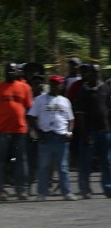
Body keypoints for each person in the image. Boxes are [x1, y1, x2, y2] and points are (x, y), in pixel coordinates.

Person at [0, 63, 33, 201]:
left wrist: (30, 130)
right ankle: (0, 191)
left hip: (19, 131)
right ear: (5, 72)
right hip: (2, 132)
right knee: (0, 162)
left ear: (17, 72)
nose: (11, 72)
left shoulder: (25, 88)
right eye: (8, 70)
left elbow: (29, 110)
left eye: (13, 70)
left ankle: (21, 190)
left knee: (20, 161)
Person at [27, 75, 77, 201]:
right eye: (52, 84)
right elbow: (31, 117)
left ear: (61, 86)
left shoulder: (65, 101)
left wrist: (69, 132)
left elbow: (71, 120)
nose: (54, 86)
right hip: (46, 136)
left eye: (57, 84)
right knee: (44, 166)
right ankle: (41, 193)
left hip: (61, 137)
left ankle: (67, 193)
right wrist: (38, 134)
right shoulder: (39, 100)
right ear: (49, 85)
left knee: (63, 167)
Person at [74, 64, 111, 198]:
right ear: (88, 74)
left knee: (106, 161)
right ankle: (85, 189)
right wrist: (84, 133)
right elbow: (80, 113)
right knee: (86, 161)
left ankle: (108, 188)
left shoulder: (106, 89)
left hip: (105, 131)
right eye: (91, 72)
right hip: (89, 132)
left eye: (96, 72)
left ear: (99, 73)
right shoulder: (83, 90)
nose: (94, 74)